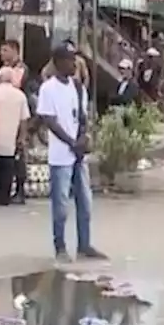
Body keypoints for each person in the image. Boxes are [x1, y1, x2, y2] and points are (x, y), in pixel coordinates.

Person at [37, 45, 106, 263]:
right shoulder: (48, 89)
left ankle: (84, 245)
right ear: (58, 62)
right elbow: (49, 121)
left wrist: (83, 137)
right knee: (61, 205)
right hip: (60, 155)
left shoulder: (78, 88)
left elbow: (83, 117)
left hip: (78, 155)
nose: (74, 65)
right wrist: (71, 142)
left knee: (85, 202)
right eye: (70, 61)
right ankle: (60, 247)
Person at [0, 67, 29, 206]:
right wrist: (22, 137)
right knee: (7, 167)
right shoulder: (20, 95)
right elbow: (24, 119)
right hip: (10, 138)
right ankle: (5, 196)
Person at [0, 39, 30, 203]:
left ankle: (20, 190)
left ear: (14, 51)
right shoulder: (5, 70)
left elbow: (15, 85)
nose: (1, 54)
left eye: (5, 50)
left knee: (19, 153)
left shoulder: (20, 69)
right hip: (7, 115)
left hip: (18, 116)